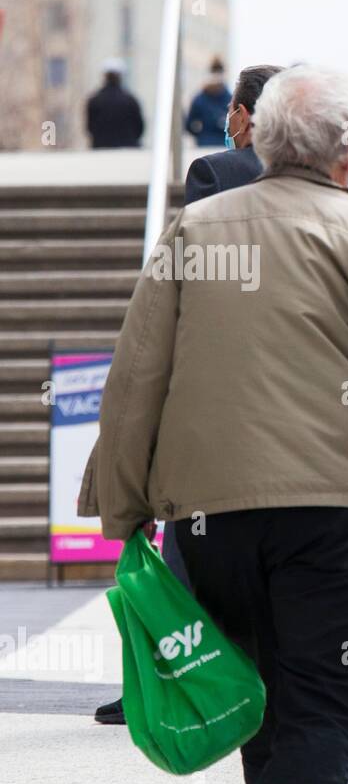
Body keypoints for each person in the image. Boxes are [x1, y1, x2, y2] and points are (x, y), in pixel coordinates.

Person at [79, 65, 348, 784]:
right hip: (334, 513)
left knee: (255, 698)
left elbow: (137, 377)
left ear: (260, 139)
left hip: (209, 519)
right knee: (328, 702)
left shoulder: (194, 229)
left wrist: (125, 503)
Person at [91, 63, 285, 729]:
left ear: (243, 115)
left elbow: (180, 291)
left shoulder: (217, 172)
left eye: (235, 106)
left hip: (217, 389)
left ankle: (168, 679)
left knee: (182, 553)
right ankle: (258, 678)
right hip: (292, 394)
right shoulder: (328, 185)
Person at [184, 64, 283, 203]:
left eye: (229, 110)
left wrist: (201, 134)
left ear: (243, 118)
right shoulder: (311, 173)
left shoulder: (212, 172)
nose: (227, 120)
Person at [85, 59, 144, 149]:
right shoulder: (130, 100)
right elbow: (139, 128)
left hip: (101, 151)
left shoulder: (95, 101)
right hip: (128, 151)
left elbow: (90, 128)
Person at [184, 58, 233, 147]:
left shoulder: (230, 99)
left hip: (222, 146)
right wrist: (201, 134)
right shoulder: (199, 99)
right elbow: (188, 125)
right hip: (205, 145)